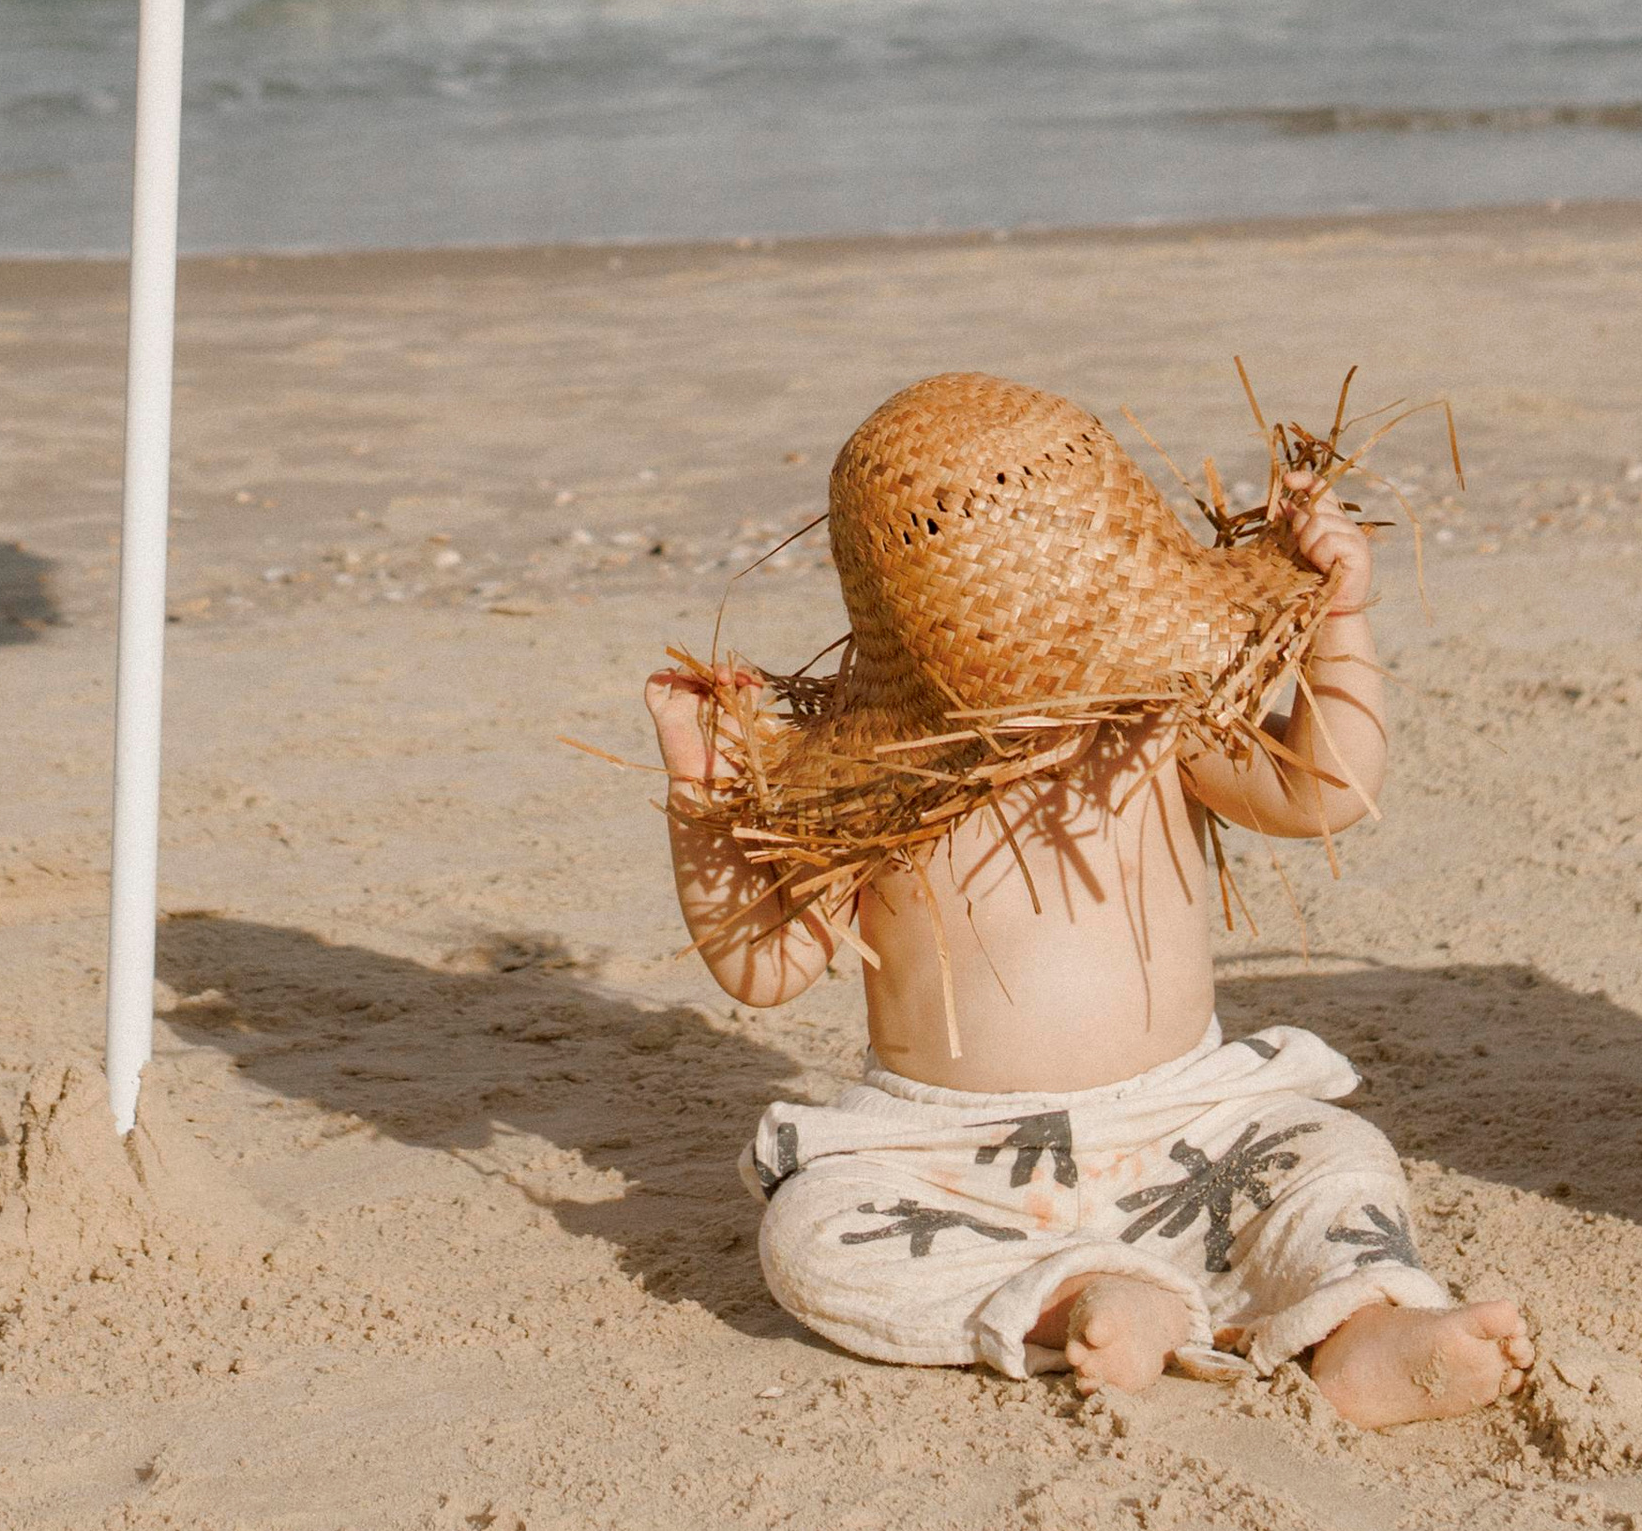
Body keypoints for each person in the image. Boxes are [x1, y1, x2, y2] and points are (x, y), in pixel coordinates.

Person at [645, 374, 1533, 1429]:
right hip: (949, 1161)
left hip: (1188, 1127)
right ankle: (1088, 1298)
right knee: (811, 1237)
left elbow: (1323, 792)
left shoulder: (1153, 719)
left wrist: (1339, 617)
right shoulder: (872, 780)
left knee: (1334, 1161)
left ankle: (1364, 1330)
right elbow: (764, 967)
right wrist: (700, 793)